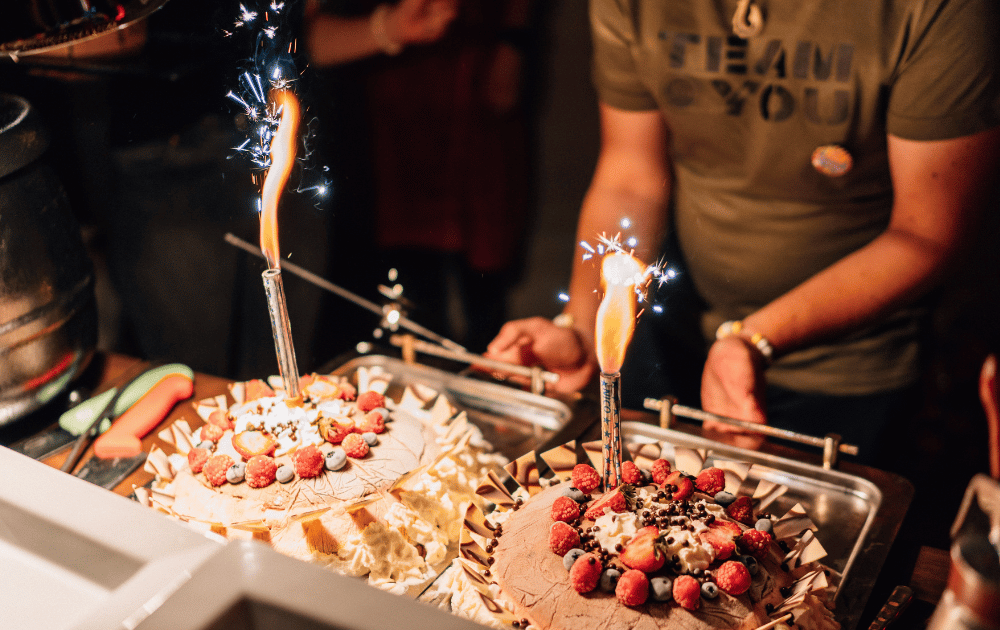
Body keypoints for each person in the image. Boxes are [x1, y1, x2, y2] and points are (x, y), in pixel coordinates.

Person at [484, 0, 1000, 465]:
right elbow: (631, 178)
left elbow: (929, 234)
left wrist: (753, 338)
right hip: (675, 337)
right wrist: (583, 328)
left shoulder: (938, 10)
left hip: (846, 373)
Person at [306, 0, 539, 352]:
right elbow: (303, 33)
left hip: (475, 73)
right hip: (389, 93)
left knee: (486, 256)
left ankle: (491, 366)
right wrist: (388, 26)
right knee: (407, 270)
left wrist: (513, 42)